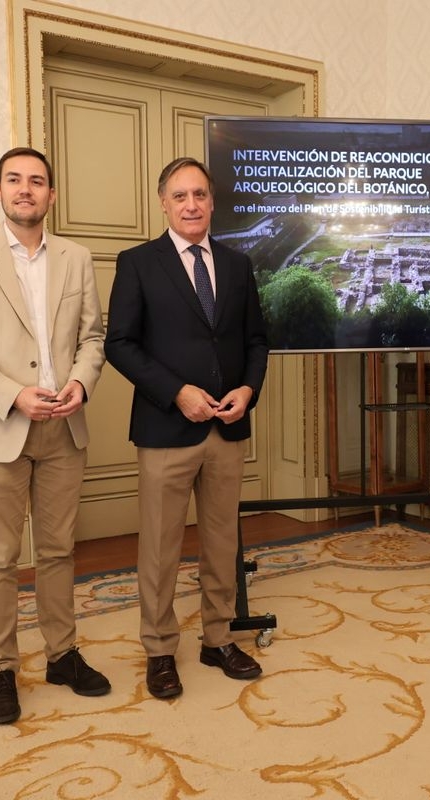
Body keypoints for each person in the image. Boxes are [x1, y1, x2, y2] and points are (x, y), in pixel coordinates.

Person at [0, 146, 111, 724]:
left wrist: (82, 385)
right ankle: (1, 670)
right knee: (0, 558)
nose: (25, 189)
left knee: (59, 550)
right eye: (14, 180)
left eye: (37, 181)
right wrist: (14, 394)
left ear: (51, 194)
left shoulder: (76, 257)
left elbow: (93, 337)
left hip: (65, 426)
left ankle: (62, 655)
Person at [105, 156, 269, 699]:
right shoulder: (138, 263)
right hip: (165, 428)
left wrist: (248, 389)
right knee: (160, 548)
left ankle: (218, 638)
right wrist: (177, 393)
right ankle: (159, 649)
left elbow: (255, 342)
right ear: (163, 203)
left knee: (222, 542)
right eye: (180, 196)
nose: (191, 205)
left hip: (227, 429)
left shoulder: (238, 264)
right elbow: (120, 344)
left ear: (212, 201)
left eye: (199, 194)